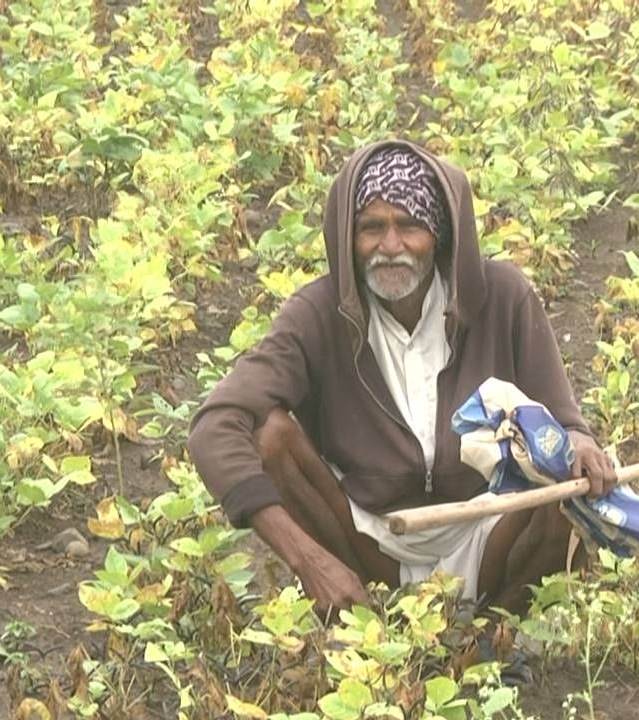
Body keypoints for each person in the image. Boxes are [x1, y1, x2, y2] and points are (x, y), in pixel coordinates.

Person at [187, 139, 617, 623]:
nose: (390, 247)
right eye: (371, 228)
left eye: (409, 225)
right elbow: (215, 426)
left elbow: (566, 422)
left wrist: (579, 444)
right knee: (269, 436)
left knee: (568, 481)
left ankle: (500, 633)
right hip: (370, 539)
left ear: (439, 232)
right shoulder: (318, 314)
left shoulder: (501, 297)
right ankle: (361, 612)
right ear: (348, 236)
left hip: (489, 528)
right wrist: (306, 560)